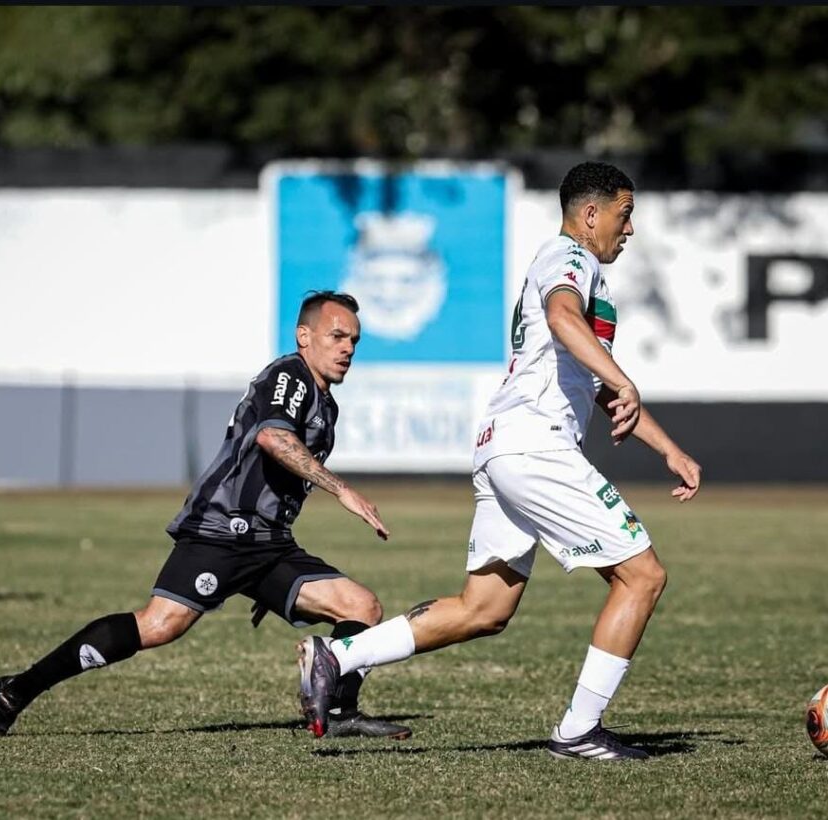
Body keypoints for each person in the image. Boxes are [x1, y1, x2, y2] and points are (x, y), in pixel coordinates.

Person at [296, 162, 702, 759]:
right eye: (625, 214)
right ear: (591, 215)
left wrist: (669, 449)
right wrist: (623, 378)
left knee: (484, 609)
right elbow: (565, 320)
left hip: (504, 443)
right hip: (534, 445)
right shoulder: (569, 259)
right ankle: (579, 731)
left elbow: (592, 378)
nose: (630, 228)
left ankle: (340, 655)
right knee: (642, 576)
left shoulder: (578, 269)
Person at [0, 291, 411, 739]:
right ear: (304, 335)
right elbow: (273, 439)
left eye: (354, 341)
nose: (347, 349)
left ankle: (339, 712)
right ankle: (14, 691)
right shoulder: (290, 376)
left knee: (361, 606)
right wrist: (342, 490)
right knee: (159, 625)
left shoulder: (326, 405)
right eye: (337, 336)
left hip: (269, 543)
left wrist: (265, 578)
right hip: (221, 531)